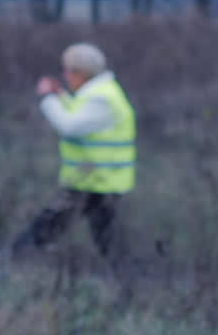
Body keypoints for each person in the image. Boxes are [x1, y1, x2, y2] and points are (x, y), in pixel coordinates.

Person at [12, 42, 137, 260]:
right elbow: (82, 116)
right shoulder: (100, 93)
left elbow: (69, 126)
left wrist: (48, 98)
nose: (66, 76)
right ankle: (129, 273)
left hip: (95, 180)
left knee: (50, 224)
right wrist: (61, 96)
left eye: (68, 71)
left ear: (80, 73)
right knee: (106, 238)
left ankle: (13, 259)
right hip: (96, 180)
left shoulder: (101, 98)